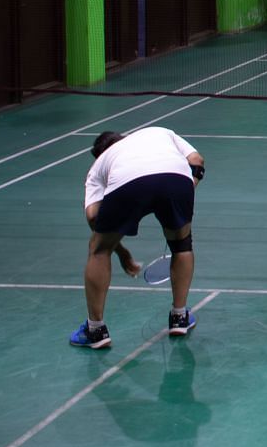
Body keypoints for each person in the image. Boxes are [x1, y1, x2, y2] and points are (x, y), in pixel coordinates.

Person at [71, 126, 206, 349]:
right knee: (182, 244)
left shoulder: (98, 167)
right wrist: (186, 190)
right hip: (176, 178)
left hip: (127, 183)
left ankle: (95, 331)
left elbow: (93, 217)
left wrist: (120, 251)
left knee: (98, 249)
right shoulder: (158, 132)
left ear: (101, 155)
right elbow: (197, 160)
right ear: (123, 137)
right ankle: (179, 317)